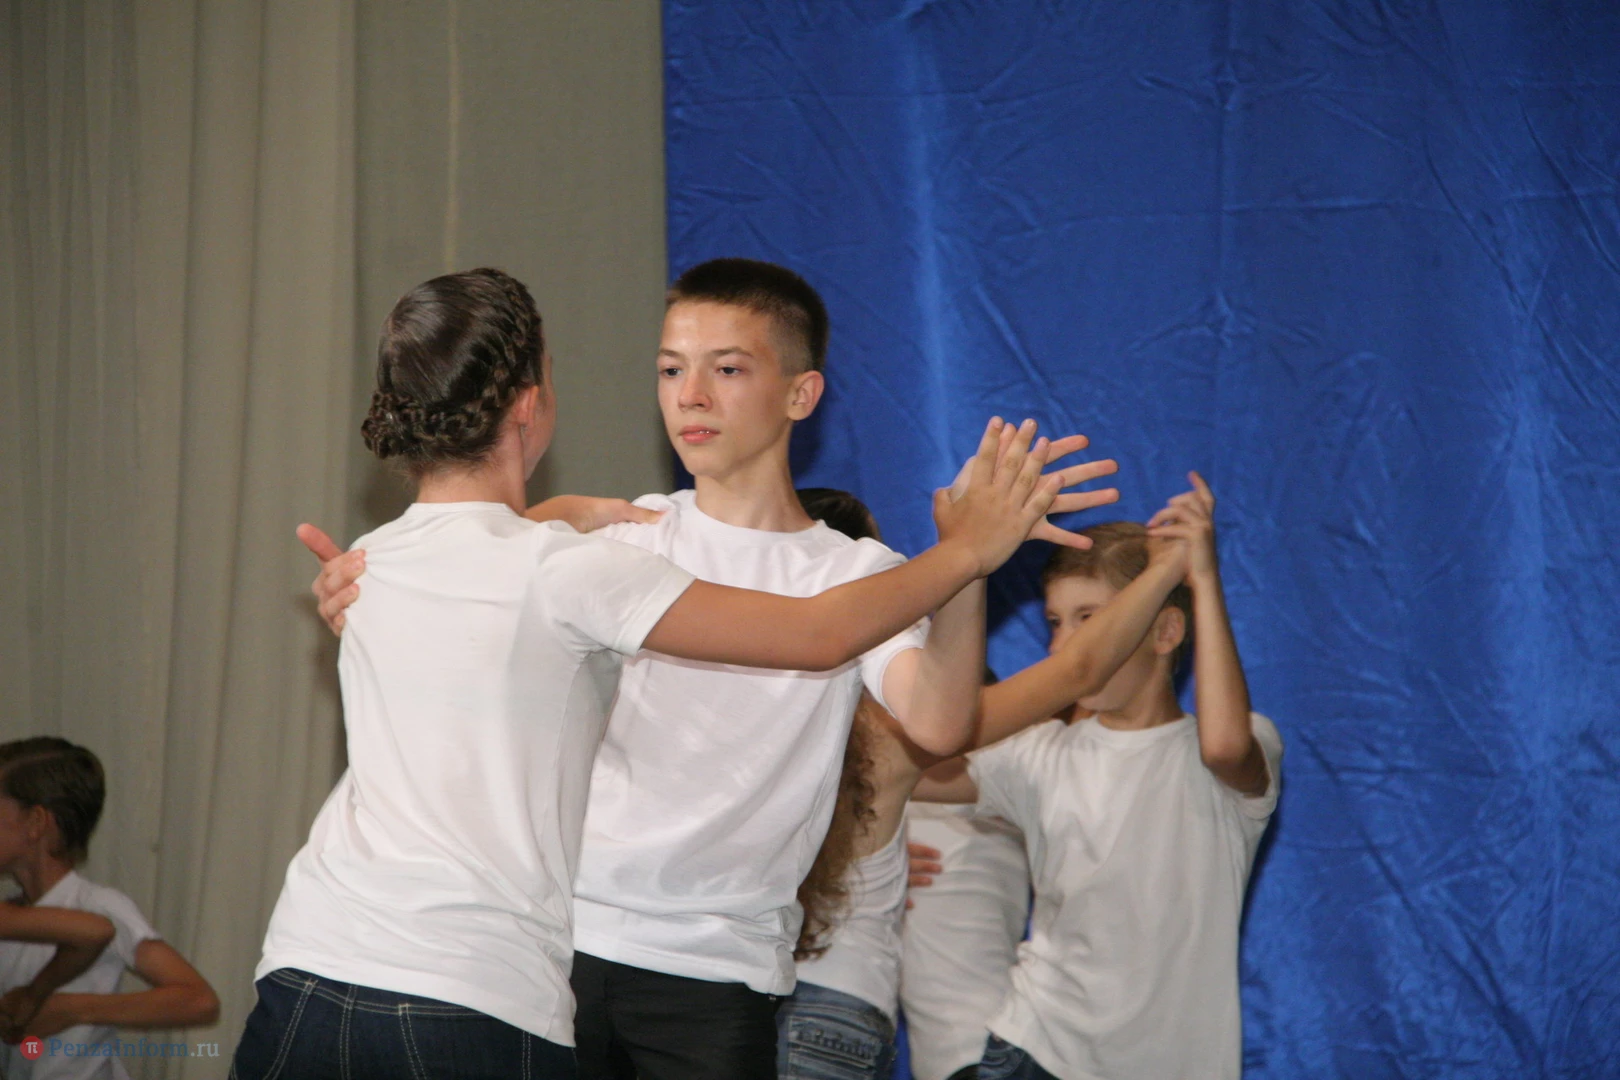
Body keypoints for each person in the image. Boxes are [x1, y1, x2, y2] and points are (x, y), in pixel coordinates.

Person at [236, 267, 1073, 1080]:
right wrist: (360, 588)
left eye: (728, 369)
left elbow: (936, 722)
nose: (691, 395)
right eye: (672, 369)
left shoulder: (857, 575)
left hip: (713, 970)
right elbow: (479, 557)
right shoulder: (613, 539)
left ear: (801, 394)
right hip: (566, 945)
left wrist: (968, 566)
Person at [776, 488, 1193, 1080]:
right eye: (879, 564)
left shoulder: (787, 717)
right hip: (845, 1005)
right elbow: (1076, 670)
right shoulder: (895, 729)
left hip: (765, 998)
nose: (897, 581)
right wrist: (1167, 571)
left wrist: (869, 846)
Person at [912, 475, 1284, 1080]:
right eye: (1055, 622)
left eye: (1089, 617)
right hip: (1036, 1051)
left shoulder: (1235, 744)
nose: (1064, 644)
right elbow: (892, 772)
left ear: (1165, 631)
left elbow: (1224, 746)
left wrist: (1203, 578)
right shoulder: (1036, 753)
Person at [0, 737, 219, 1080]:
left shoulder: (97, 906)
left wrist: (73, 1009)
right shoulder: (12, 918)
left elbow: (198, 1000)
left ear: (36, 823)